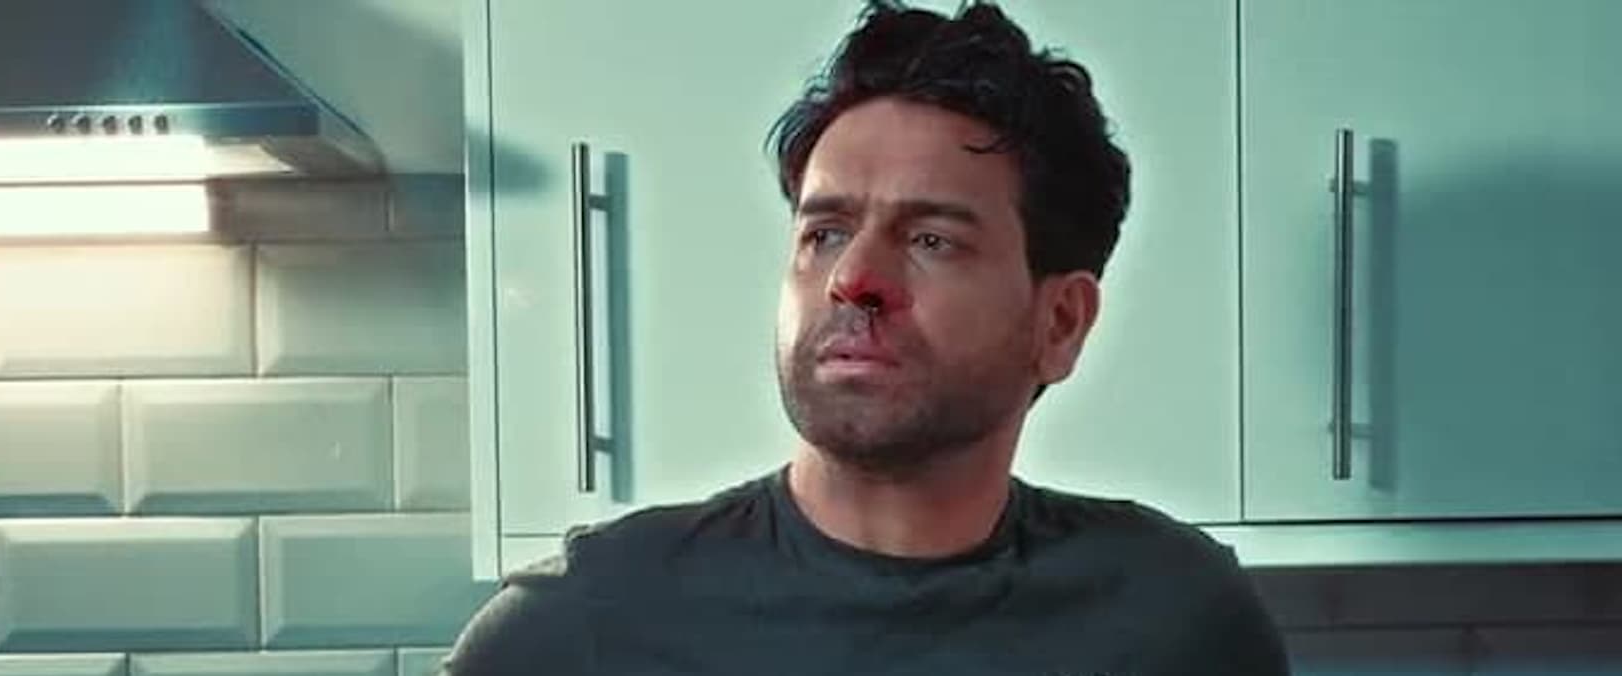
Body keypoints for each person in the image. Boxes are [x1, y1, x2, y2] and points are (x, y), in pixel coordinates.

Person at [444, 1, 1290, 674]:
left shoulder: (1175, 619)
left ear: (1059, 323)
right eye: (825, 233)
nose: (854, 279)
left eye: (932, 240)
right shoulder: (582, 628)